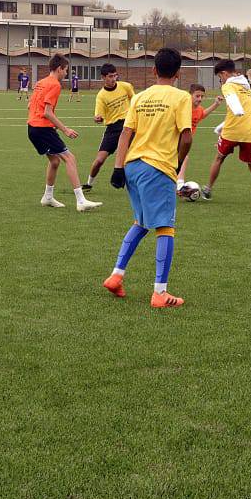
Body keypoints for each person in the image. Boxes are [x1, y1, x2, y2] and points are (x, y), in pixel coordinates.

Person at [101, 47, 193, 309]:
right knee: (165, 227)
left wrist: (118, 168)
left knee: (141, 222)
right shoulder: (181, 97)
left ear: (154, 70)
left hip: (132, 166)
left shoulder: (140, 97)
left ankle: (116, 276)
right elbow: (186, 136)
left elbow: (125, 134)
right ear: (178, 73)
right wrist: (175, 163)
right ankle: (160, 293)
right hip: (158, 167)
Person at [26, 54, 100, 211]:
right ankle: (81, 201)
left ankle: (48, 196)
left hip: (32, 128)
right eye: (66, 70)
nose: (66, 73)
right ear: (59, 69)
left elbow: (29, 105)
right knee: (70, 158)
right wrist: (65, 130)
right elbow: (47, 112)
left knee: (55, 161)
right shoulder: (54, 85)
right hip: (42, 128)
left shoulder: (41, 82)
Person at [203, 59, 251, 206]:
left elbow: (233, 101)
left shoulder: (228, 85)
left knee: (219, 158)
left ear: (224, 73)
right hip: (249, 130)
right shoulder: (245, 84)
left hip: (232, 131)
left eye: (220, 77)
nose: (220, 81)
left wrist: (237, 110)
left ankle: (207, 189)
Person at [85, 63, 135, 191]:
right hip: (112, 129)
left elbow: (135, 103)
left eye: (115, 75)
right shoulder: (101, 96)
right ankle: (89, 183)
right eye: (110, 76)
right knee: (99, 160)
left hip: (127, 126)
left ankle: (131, 183)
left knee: (130, 157)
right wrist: (98, 118)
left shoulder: (126, 86)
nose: (113, 79)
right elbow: (98, 115)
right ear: (103, 77)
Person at [174, 83, 212, 187]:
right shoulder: (183, 107)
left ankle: (177, 181)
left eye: (202, 96)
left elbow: (202, 115)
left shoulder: (199, 109)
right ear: (190, 95)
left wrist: (215, 104)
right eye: (197, 96)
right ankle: (179, 182)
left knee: (183, 156)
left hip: (186, 140)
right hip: (176, 137)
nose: (200, 99)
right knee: (183, 156)